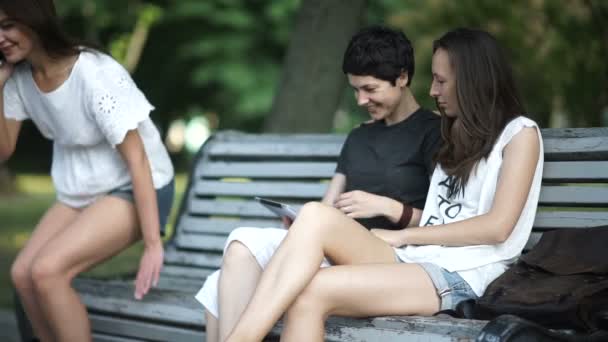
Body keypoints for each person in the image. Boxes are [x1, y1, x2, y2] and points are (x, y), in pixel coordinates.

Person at [223, 27, 544, 342]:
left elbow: (498, 228)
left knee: (311, 290)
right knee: (314, 215)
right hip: (417, 258)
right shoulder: (457, 133)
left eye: (441, 81)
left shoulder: (519, 134)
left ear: (474, 81)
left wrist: (403, 233)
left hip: (465, 273)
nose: (432, 90)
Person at [195, 26, 442, 342]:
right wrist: (299, 222)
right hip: (330, 246)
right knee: (238, 247)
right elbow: (327, 205)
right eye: (355, 90)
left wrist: (389, 208)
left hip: (389, 256)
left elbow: (445, 221)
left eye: (370, 89)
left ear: (403, 77)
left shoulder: (432, 132)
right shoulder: (358, 136)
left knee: (226, 284)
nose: (361, 99)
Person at [0, 1, 175, 341]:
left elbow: (138, 160)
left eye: (7, 25)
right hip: (81, 188)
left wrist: (153, 244)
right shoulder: (21, 78)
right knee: (23, 274)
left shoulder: (94, 73)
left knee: (47, 272)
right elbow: (3, 151)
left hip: (138, 185)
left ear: (34, 19)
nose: (0, 38)